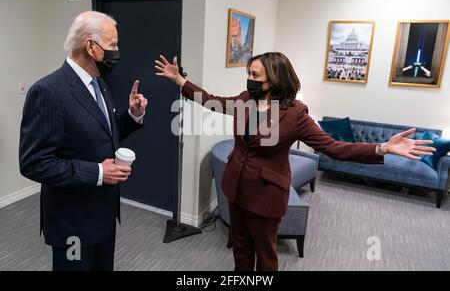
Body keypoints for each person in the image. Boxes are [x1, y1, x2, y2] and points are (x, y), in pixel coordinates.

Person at [155, 52, 435, 271]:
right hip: (235, 188)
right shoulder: (245, 100)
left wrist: (382, 148)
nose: (249, 79)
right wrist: (180, 81)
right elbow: (211, 100)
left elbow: (333, 148)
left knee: (265, 255)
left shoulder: (296, 114)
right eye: (248, 73)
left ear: (275, 80)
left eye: (255, 75)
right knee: (241, 249)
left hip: (266, 196)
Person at [19, 11, 148, 271]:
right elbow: (33, 163)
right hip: (73, 222)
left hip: (104, 214)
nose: (117, 51)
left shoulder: (99, 83)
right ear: (91, 46)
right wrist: (99, 172)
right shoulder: (48, 91)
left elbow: (103, 134)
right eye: (112, 45)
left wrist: (133, 115)